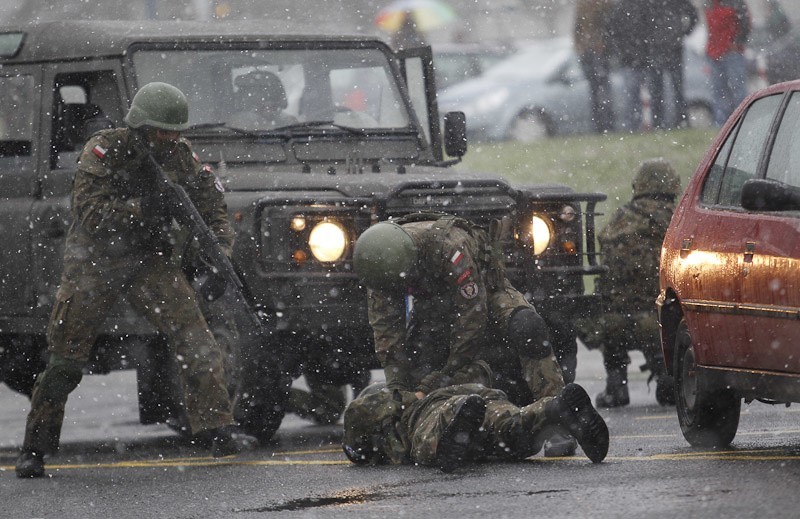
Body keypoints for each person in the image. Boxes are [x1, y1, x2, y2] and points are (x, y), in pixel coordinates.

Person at [15, 82, 253, 479]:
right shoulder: (103, 151)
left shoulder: (180, 157)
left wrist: (218, 260)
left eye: (175, 131)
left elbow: (212, 210)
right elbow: (90, 213)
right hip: (95, 260)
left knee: (196, 341)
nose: (169, 139)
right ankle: (35, 448)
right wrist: (143, 207)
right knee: (65, 360)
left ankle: (218, 429)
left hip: (148, 259)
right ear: (140, 128)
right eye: (161, 131)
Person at [344, 212, 609, 470]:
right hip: (433, 311)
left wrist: (438, 381)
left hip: (487, 292)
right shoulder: (380, 266)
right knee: (492, 417)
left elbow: (471, 319)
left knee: (527, 328)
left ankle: (556, 420)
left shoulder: (450, 247)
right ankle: (549, 412)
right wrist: (400, 390)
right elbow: (387, 335)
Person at [577, 158, 680, 408]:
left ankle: (616, 384)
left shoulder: (620, 218)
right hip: (658, 322)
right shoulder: (675, 220)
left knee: (615, 317)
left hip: (610, 323)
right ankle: (665, 371)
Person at [704, 0, 751, 126]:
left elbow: (746, 23)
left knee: (737, 89)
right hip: (715, 53)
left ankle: (741, 121)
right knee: (719, 91)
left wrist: (737, 42)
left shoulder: (734, 3)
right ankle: (722, 124)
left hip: (731, 52)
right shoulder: (709, 3)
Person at [573, 0, 615, 134]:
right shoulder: (582, 6)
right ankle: (599, 124)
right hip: (589, 52)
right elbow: (577, 27)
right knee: (595, 90)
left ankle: (606, 124)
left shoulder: (603, 6)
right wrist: (580, 46)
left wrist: (602, 43)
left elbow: (608, 26)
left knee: (602, 90)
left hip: (598, 52)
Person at [228, 70, 297, 131]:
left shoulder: (289, 123)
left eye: (273, 101)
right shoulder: (237, 124)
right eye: (263, 103)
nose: (269, 106)